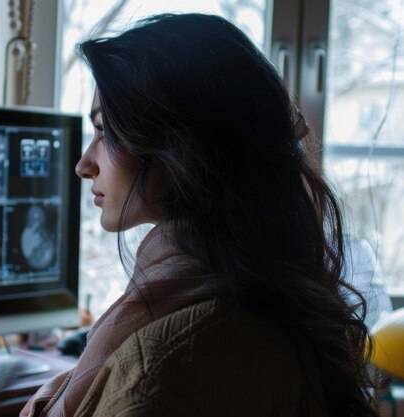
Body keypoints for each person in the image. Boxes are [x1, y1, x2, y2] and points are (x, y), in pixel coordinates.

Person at [21, 13, 378, 417]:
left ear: (180, 146)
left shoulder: (164, 363)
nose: (84, 164)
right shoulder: (266, 291)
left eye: (105, 131)